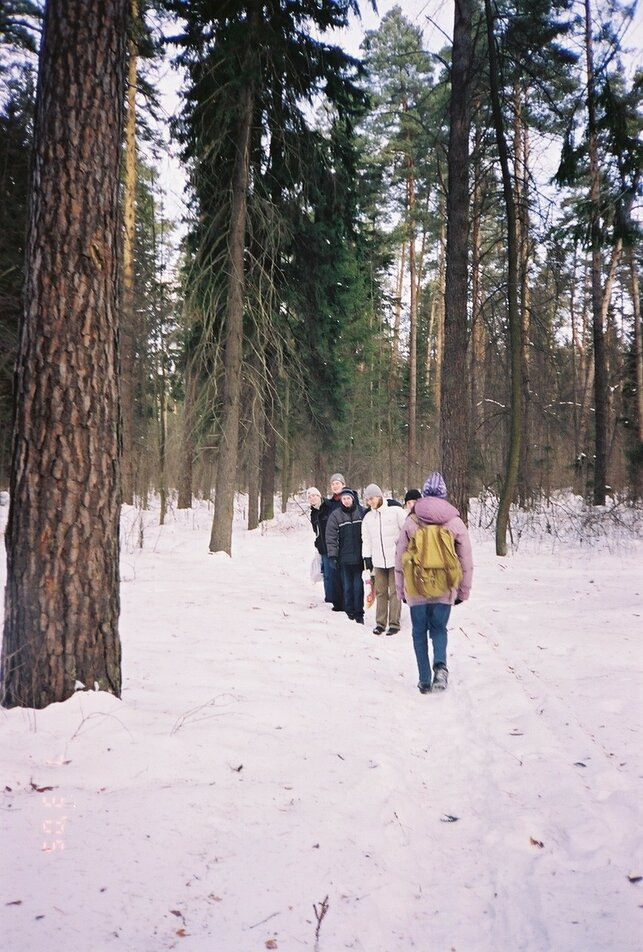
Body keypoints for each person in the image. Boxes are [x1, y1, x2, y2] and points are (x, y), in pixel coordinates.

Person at [395, 471, 473, 694]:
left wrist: (401, 589)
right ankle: (440, 665)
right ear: (444, 495)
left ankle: (424, 680)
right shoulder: (455, 522)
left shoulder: (411, 520)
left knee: (419, 631)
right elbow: (466, 559)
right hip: (445, 585)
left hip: (416, 586)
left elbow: (400, 557)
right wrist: (463, 590)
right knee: (439, 628)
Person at [362, 483, 407, 636]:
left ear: (379, 496)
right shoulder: (368, 517)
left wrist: (403, 550)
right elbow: (366, 539)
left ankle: (394, 623)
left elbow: (407, 531)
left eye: (372, 498)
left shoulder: (395, 512)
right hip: (378, 561)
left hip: (395, 560)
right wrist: (367, 557)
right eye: (367, 500)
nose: (370, 502)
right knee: (380, 592)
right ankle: (380, 623)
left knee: (395, 592)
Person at [325, 487, 367, 624]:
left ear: (353, 499)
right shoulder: (336, 515)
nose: (346, 501)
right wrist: (333, 556)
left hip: (359, 557)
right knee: (347, 585)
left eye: (348, 498)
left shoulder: (361, 512)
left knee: (358, 585)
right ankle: (349, 611)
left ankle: (359, 612)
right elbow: (331, 537)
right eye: (344, 499)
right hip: (344, 558)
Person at [316, 473, 346, 610]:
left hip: (346, 543)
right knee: (331, 573)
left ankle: (347, 600)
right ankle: (334, 599)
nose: (335, 486)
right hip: (331, 543)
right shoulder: (329, 504)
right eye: (333, 484)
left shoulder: (348, 499)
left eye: (337, 483)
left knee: (345, 574)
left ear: (343, 484)